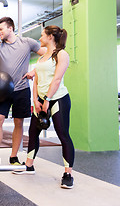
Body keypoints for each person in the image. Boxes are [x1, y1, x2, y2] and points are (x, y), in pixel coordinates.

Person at [13, 25, 75, 189]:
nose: (39, 38)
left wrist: (47, 99)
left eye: (42, 35)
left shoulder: (62, 55)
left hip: (58, 99)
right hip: (41, 101)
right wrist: (36, 100)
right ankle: (29, 166)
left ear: (50, 37)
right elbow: (37, 80)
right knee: (33, 132)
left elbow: (56, 79)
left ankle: (68, 174)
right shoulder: (42, 57)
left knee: (63, 134)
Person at [0, 17, 45, 166]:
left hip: (22, 89)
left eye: (1, 29)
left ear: (10, 28)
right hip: (3, 90)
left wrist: (35, 70)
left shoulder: (27, 43)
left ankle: (14, 156)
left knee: (19, 122)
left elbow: (48, 54)